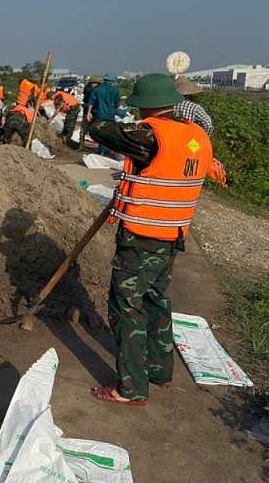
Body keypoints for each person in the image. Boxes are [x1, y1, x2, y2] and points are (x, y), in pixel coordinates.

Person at [88, 74, 213, 407]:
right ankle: (160, 371)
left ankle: (130, 389)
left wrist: (99, 117)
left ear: (143, 105)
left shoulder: (149, 136)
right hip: (172, 236)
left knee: (126, 306)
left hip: (141, 238)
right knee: (156, 300)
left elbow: (100, 130)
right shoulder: (196, 135)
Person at [0, 78, 38, 146]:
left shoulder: (15, 107)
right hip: (20, 122)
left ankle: (5, 152)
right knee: (26, 141)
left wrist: (3, 118)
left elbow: (6, 113)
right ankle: (27, 152)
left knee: (6, 140)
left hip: (10, 121)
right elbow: (30, 123)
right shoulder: (28, 111)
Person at [79, 75, 100, 150]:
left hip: (96, 113)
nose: (92, 85)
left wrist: (87, 105)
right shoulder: (87, 89)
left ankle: (99, 148)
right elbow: (85, 99)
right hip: (86, 113)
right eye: (91, 83)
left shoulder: (99, 91)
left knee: (97, 131)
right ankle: (81, 146)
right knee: (83, 130)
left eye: (94, 83)